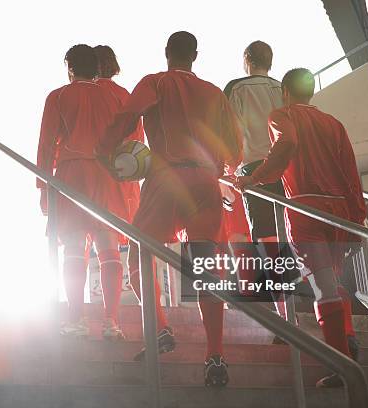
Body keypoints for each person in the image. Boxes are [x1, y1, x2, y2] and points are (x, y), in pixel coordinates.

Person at [97, 31, 242, 387]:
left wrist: (105, 150)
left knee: (139, 254)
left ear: (167, 53)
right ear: (196, 55)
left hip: (166, 179)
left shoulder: (156, 83)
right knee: (207, 266)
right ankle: (215, 355)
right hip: (206, 184)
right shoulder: (213, 92)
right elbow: (235, 149)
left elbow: (128, 117)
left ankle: (160, 328)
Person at [236, 68, 366, 388]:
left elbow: (287, 143)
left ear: (284, 92)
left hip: (305, 208)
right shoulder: (334, 124)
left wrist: (255, 177)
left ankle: (341, 364)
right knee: (332, 280)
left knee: (322, 285)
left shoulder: (282, 115)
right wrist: (356, 219)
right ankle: (346, 336)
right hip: (337, 210)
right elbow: (352, 174)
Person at [37, 44, 131, 341]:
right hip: (109, 175)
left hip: (72, 175)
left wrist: (43, 186)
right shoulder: (117, 95)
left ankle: (76, 319)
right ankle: (111, 322)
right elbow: (132, 141)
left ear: (70, 68)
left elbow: (47, 143)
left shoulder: (60, 96)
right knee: (109, 248)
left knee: (75, 248)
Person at [223, 41, 288, 323]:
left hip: (252, 169)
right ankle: (288, 309)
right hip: (285, 170)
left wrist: (231, 166)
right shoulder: (282, 89)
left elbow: (228, 128)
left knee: (266, 240)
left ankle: (284, 315)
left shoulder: (236, 88)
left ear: (246, 59)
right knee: (287, 237)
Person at [93, 45, 145, 224]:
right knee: (126, 231)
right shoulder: (124, 95)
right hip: (124, 169)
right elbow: (138, 139)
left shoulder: (86, 93)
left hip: (93, 170)